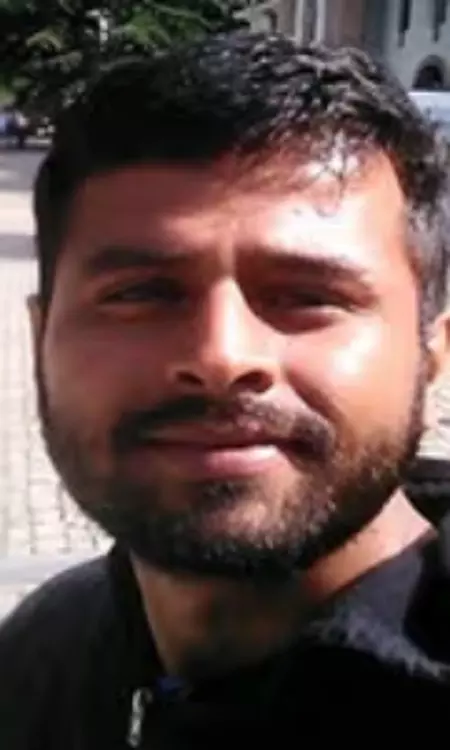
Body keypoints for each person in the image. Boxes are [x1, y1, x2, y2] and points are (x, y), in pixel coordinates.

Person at [1, 30, 450, 747]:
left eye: (308, 296)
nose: (220, 355)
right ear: (40, 338)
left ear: (431, 351)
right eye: (141, 293)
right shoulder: (40, 656)